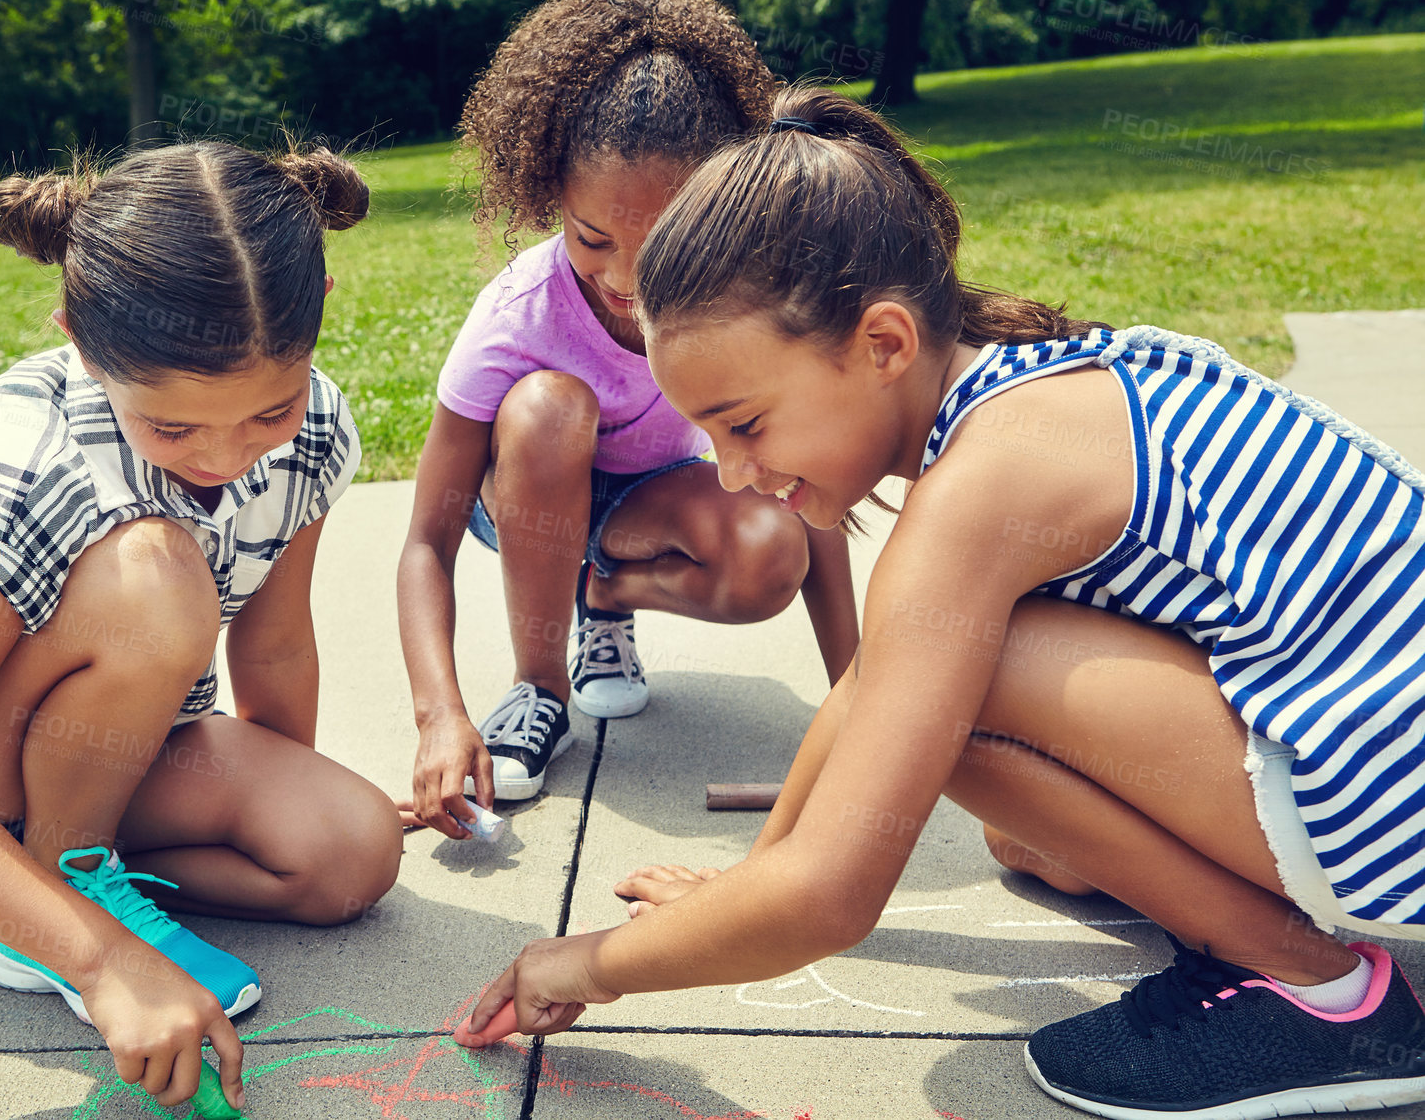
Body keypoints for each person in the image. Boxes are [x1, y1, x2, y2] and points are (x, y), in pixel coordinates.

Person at [463, 87, 1425, 1119]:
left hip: (1390, 797)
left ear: (881, 343)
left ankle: (1323, 994)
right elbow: (877, 682)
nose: (734, 475)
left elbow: (832, 898)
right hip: (1376, 751)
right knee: (997, 788)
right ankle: (1281, 934)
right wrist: (753, 875)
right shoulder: (1018, 389)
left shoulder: (983, 484)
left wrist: (591, 963)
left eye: (744, 424)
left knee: (959, 689)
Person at [0, 140, 403, 1114]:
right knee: (155, 575)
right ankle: (40, 895)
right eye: (174, 428)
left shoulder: (315, 427)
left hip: (105, 739)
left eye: (266, 411)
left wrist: (277, 790)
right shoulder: (23, 454)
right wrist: (106, 960)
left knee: (346, 853)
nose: (227, 455)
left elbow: (276, 638)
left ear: (321, 299)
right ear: (77, 332)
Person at [398, 0, 859, 834]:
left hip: (651, 498)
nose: (623, 281)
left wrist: (861, 693)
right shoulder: (518, 317)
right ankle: (539, 689)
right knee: (547, 409)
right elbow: (427, 541)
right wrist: (439, 717)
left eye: (661, 243)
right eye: (592, 238)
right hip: (527, 502)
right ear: (547, 197)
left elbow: (815, 494)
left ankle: (600, 599)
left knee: (769, 552)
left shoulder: (744, 299)